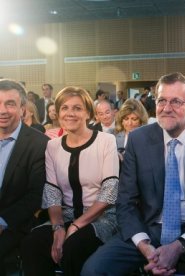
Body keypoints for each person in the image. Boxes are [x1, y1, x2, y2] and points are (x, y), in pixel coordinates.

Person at [82, 72, 185, 276]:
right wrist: (144, 246)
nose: (166, 108)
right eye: (162, 100)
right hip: (149, 228)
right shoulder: (138, 140)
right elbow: (126, 201)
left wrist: (180, 245)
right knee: (94, 270)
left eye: (176, 101)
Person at [21, 86, 119, 276]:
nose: (70, 113)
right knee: (32, 243)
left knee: (74, 247)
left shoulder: (106, 141)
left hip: (103, 217)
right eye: (65, 108)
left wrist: (75, 226)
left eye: (77, 108)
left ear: (88, 113)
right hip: (65, 215)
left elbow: (110, 191)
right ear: (57, 113)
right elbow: (52, 191)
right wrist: (58, 227)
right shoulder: (52, 146)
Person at [0, 79, 49, 275]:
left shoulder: (39, 144)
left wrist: (2, 221)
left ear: (22, 109)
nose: (2, 110)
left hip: (14, 223)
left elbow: (36, 195)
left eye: (9, 104)